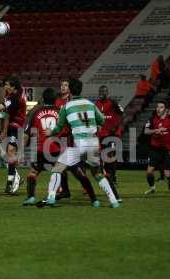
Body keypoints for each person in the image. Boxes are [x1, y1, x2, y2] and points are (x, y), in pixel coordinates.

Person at [43, 78, 121, 208]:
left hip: (79, 144)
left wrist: (50, 133)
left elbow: (59, 127)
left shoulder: (66, 106)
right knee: (97, 174)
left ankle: (51, 197)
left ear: (70, 91)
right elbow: (102, 120)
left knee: (57, 168)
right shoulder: (90, 104)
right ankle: (113, 200)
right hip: (93, 143)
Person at [23, 87, 99, 207]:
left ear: (42, 98)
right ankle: (94, 199)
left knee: (33, 172)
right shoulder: (61, 111)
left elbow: (26, 133)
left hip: (43, 149)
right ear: (56, 99)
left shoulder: (35, 112)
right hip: (61, 149)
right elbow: (71, 129)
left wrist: (22, 150)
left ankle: (31, 197)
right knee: (78, 173)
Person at [144, 101, 170, 194]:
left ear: (165, 109)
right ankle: (152, 188)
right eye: (157, 107)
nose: (158, 109)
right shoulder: (152, 119)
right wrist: (155, 130)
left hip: (168, 149)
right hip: (155, 149)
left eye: (161, 107)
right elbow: (146, 131)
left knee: (167, 173)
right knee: (149, 172)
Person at [95, 85, 124, 186]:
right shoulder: (97, 103)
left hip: (113, 134)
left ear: (108, 93)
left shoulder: (113, 103)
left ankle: (111, 176)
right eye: (100, 92)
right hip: (102, 134)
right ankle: (111, 174)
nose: (102, 94)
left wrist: (116, 126)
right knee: (104, 156)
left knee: (110, 154)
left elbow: (122, 114)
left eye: (104, 92)